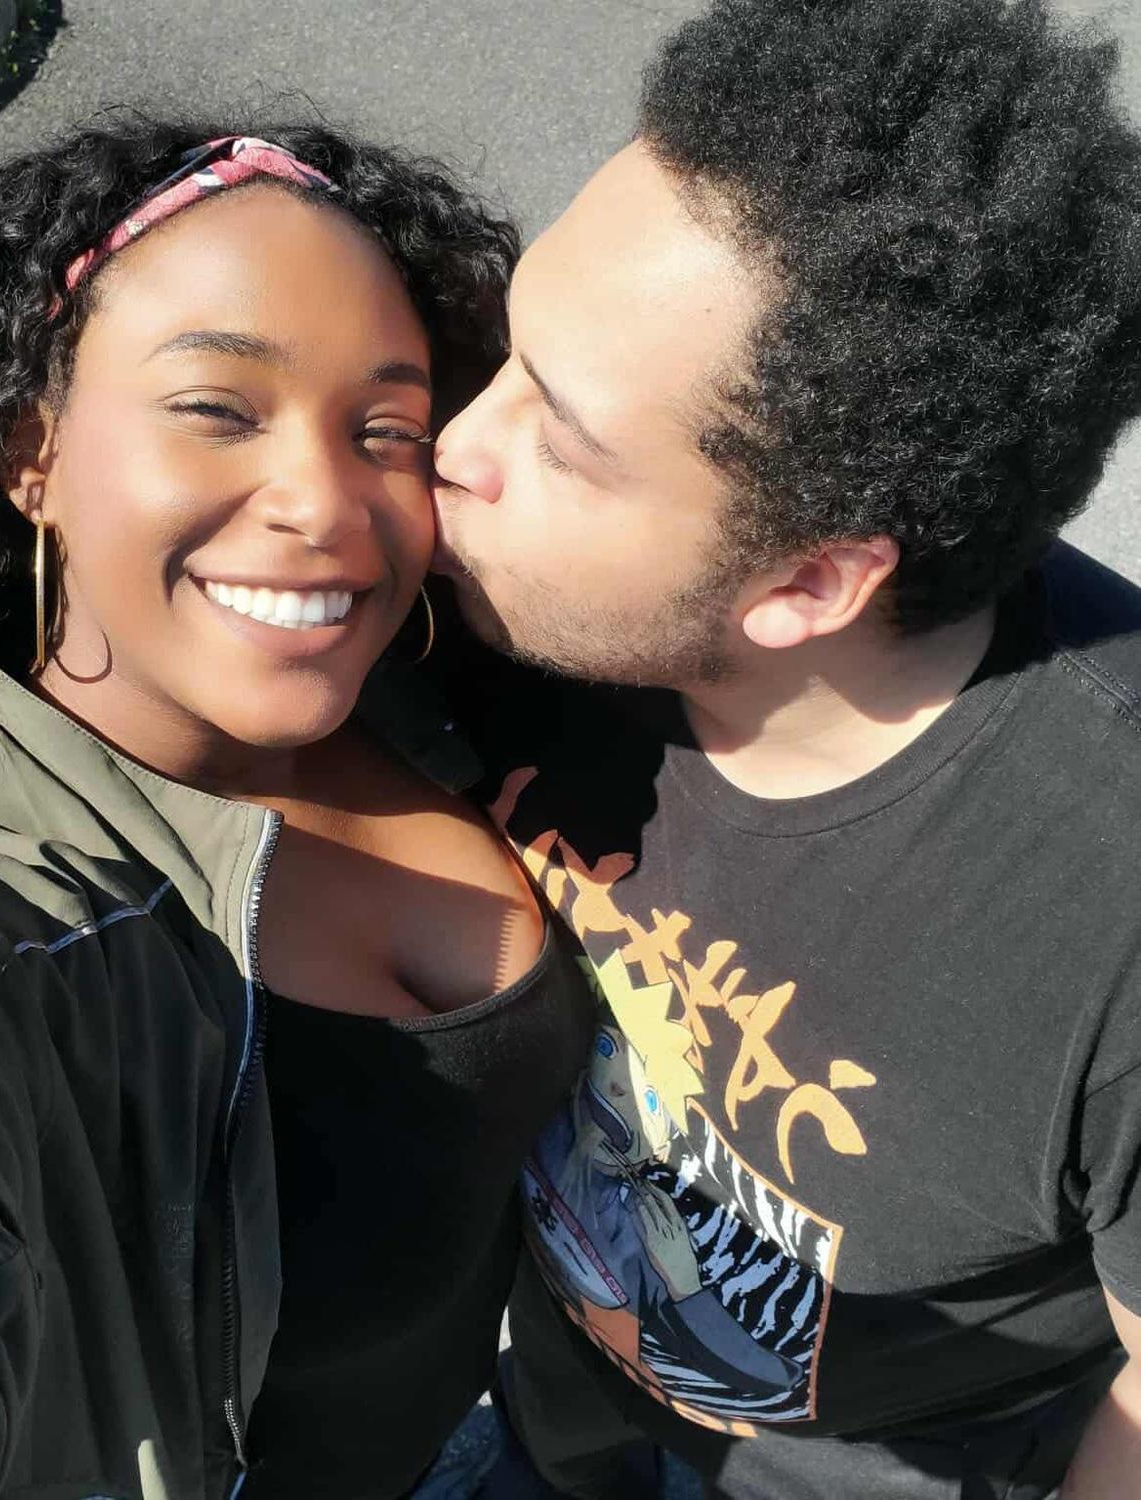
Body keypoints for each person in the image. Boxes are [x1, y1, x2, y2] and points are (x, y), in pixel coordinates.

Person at [0, 119, 597, 1500]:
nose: (328, 503)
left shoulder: (424, 690)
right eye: (219, 409)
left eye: (384, 430)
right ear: (29, 453)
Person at [428, 0, 1141, 1496]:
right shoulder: (506, 607)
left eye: (561, 443)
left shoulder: (1106, 909)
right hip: (561, 1385)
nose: (454, 448)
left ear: (809, 583)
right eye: (512, 358)